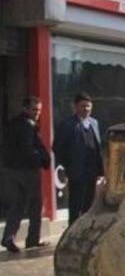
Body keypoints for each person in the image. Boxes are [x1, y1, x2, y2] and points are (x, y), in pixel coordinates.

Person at [1, 97, 51, 253]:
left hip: (11, 169)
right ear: (25, 109)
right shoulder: (28, 125)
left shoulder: (13, 123)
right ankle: (32, 240)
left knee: (18, 204)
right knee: (35, 205)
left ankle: (8, 236)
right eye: (34, 109)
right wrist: (43, 159)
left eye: (39, 110)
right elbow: (28, 149)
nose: (37, 113)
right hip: (27, 170)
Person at [53, 93, 103, 224]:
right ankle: (72, 232)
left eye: (88, 106)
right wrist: (67, 166)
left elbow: (98, 147)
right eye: (82, 106)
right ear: (75, 107)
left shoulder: (94, 123)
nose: (85, 109)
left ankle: (85, 231)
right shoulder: (67, 124)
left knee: (89, 205)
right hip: (76, 172)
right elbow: (57, 147)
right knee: (76, 206)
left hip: (92, 171)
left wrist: (100, 170)